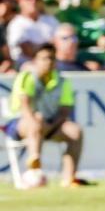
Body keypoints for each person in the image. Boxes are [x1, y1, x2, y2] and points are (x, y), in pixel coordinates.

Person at [4, 42, 87, 187]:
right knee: (36, 120)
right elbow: (25, 106)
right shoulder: (27, 77)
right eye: (43, 58)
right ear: (35, 60)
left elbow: (65, 110)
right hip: (19, 124)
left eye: (51, 59)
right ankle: (34, 169)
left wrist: (49, 125)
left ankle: (69, 178)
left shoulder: (62, 81)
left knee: (75, 131)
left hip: (50, 124)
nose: (48, 62)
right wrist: (39, 124)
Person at [5, 0, 58, 65]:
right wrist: (49, 45)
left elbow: (60, 45)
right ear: (20, 2)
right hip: (26, 66)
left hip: (51, 64)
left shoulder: (50, 20)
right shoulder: (16, 24)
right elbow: (28, 51)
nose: (33, 2)